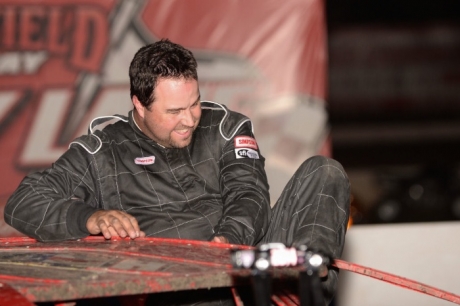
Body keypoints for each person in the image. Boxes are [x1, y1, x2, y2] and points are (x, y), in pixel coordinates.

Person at [4, 39, 350, 305]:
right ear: (139, 104)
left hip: (242, 265)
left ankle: (303, 283)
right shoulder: (101, 149)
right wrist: (90, 218)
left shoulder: (226, 127)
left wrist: (227, 243)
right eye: (174, 111)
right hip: (165, 286)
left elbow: (249, 192)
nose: (189, 119)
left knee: (324, 171)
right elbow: (22, 203)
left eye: (194, 103)